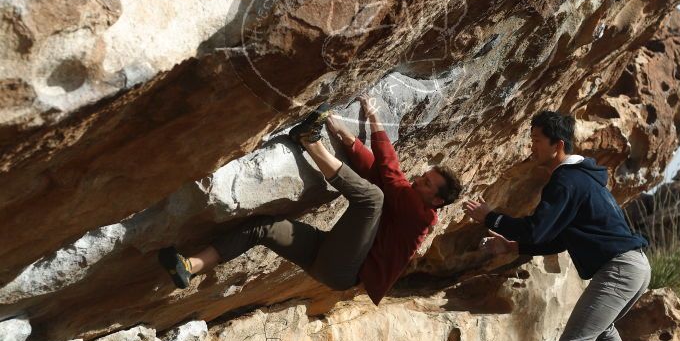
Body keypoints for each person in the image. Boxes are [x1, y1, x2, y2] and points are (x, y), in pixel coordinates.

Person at [159, 96, 462, 305]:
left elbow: (390, 176)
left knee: (373, 199)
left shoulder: (421, 217)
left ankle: (308, 140)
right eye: (423, 176)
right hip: (330, 256)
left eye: (426, 183)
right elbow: (377, 172)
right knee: (264, 227)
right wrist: (347, 138)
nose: (418, 180)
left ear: (435, 200)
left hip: (345, 270)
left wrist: (374, 121)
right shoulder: (410, 202)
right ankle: (190, 265)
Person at [464, 111, 650, 341]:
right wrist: (513, 247)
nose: (532, 147)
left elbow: (536, 229)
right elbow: (558, 239)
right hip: (635, 266)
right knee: (603, 331)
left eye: (537, 140)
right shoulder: (583, 179)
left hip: (620, 269)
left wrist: (491, 217)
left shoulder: (565, 180)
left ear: (557, 144)